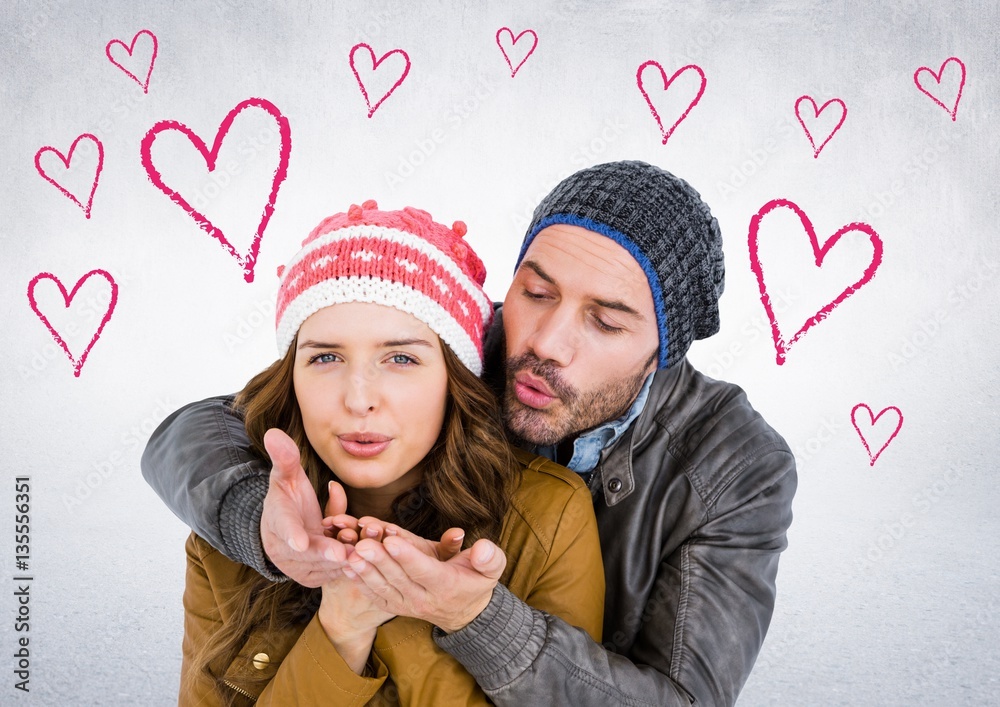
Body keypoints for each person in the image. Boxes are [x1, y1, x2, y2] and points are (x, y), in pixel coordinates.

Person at [144, 161, 797, 706]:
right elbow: (220, 421)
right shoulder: (449, 341)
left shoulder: (735, 467)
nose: (544, 343)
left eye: (605, 320)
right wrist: (251, 515)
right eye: (536, 292)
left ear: (664, 351)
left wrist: (476, 617)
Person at [170, 201, 604, 705]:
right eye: (325, 357)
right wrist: (343, 626)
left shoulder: (550, 517)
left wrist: (419, 613)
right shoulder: (231, 533)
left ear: (453, 378)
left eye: (401, 358)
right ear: (292, 376)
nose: (358, 399)